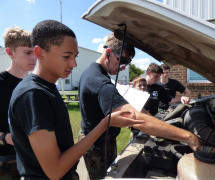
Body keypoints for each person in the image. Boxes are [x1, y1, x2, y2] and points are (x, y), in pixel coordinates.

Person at [8, 20, 142, 180]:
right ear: (39, 53)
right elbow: (55, 171)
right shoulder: (32, 95)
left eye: (75, 56)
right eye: (66, 56)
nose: (74, 63)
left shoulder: (47, 88)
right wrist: (104, 124)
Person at [78, 32, 200, 180]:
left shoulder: (93, 72)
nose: (124, 67)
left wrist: (157, 122)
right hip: (97, 145)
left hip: (102, 138)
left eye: (127, 63)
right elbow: (135, 118)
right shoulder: (100, 82)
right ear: (108, 53)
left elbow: (134, 108)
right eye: (121, 60)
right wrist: (188, 137)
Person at [0, 27, 37, 179]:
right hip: (7, 161)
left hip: (35, 158)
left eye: (35, 52)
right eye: (28, 53)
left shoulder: (36, 84)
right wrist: (5, 138)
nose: (34, 58)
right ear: (10, 52)